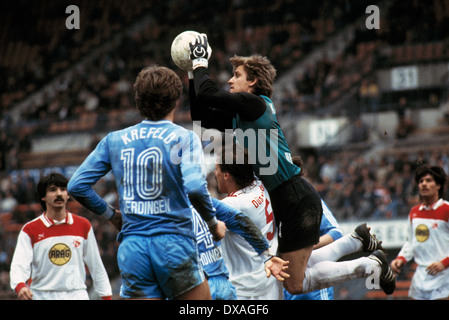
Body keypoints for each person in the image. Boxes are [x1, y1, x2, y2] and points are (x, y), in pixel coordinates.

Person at [187, 33, 395, 295]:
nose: (230, 79)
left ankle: (368, 265)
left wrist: (199, 61)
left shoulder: (255, 104)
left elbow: (208, 95)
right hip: (289, 197)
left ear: (252, 81)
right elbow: (202, 116)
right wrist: (192, 73)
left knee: (294, 283)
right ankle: (355, 241)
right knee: (287, 266)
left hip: (294, 196)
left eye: (237, 75)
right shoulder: (244, 115)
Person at [68, 65, 226, 300]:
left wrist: (112, 215)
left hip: (133, 248)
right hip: (174, 244)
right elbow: (194, 187)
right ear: (176, 100)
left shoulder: (114, 140)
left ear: (138, 101)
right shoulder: (184, 138)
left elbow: (76, 186)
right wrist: (212, 224)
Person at [9, 172, 112, 300]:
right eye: (53, 190)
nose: (59, 194)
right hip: (41, 295)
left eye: (63, 189)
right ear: (43, 197)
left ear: (68, 195)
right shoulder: (30, 229)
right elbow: (19, 264)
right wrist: (20, 286)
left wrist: (106, 296)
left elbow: (96, 266)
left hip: (76, 294)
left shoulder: (83, 225)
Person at [214, 143, 284, 299]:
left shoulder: (233, 205)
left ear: (226, 175)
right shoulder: (259, 184)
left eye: (216, 169)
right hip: (270, 280)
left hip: (246, 290)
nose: (214, 173)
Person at [196, 197, 289, 300]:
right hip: (221, 285)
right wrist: (266, 255)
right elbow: (240, 220)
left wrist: (214, 225)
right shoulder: (200, 197)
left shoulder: (197, 200)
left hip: (202, 284)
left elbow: (237, 219)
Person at [284, 156, 343, 300]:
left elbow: (336, 233)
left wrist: (306, 246)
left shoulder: (310, 200)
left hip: (315, 286)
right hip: (287, 287)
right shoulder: (273, 205)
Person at [390, 165, 449, 300]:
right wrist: (400, 259)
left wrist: (444, 263)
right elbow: (411, 242)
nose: (424, 184)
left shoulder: (446, 209)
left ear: (438, 185)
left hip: (444, 276)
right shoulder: (414, 212)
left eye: (429, 181)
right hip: (420, 277)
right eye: (421, 181)